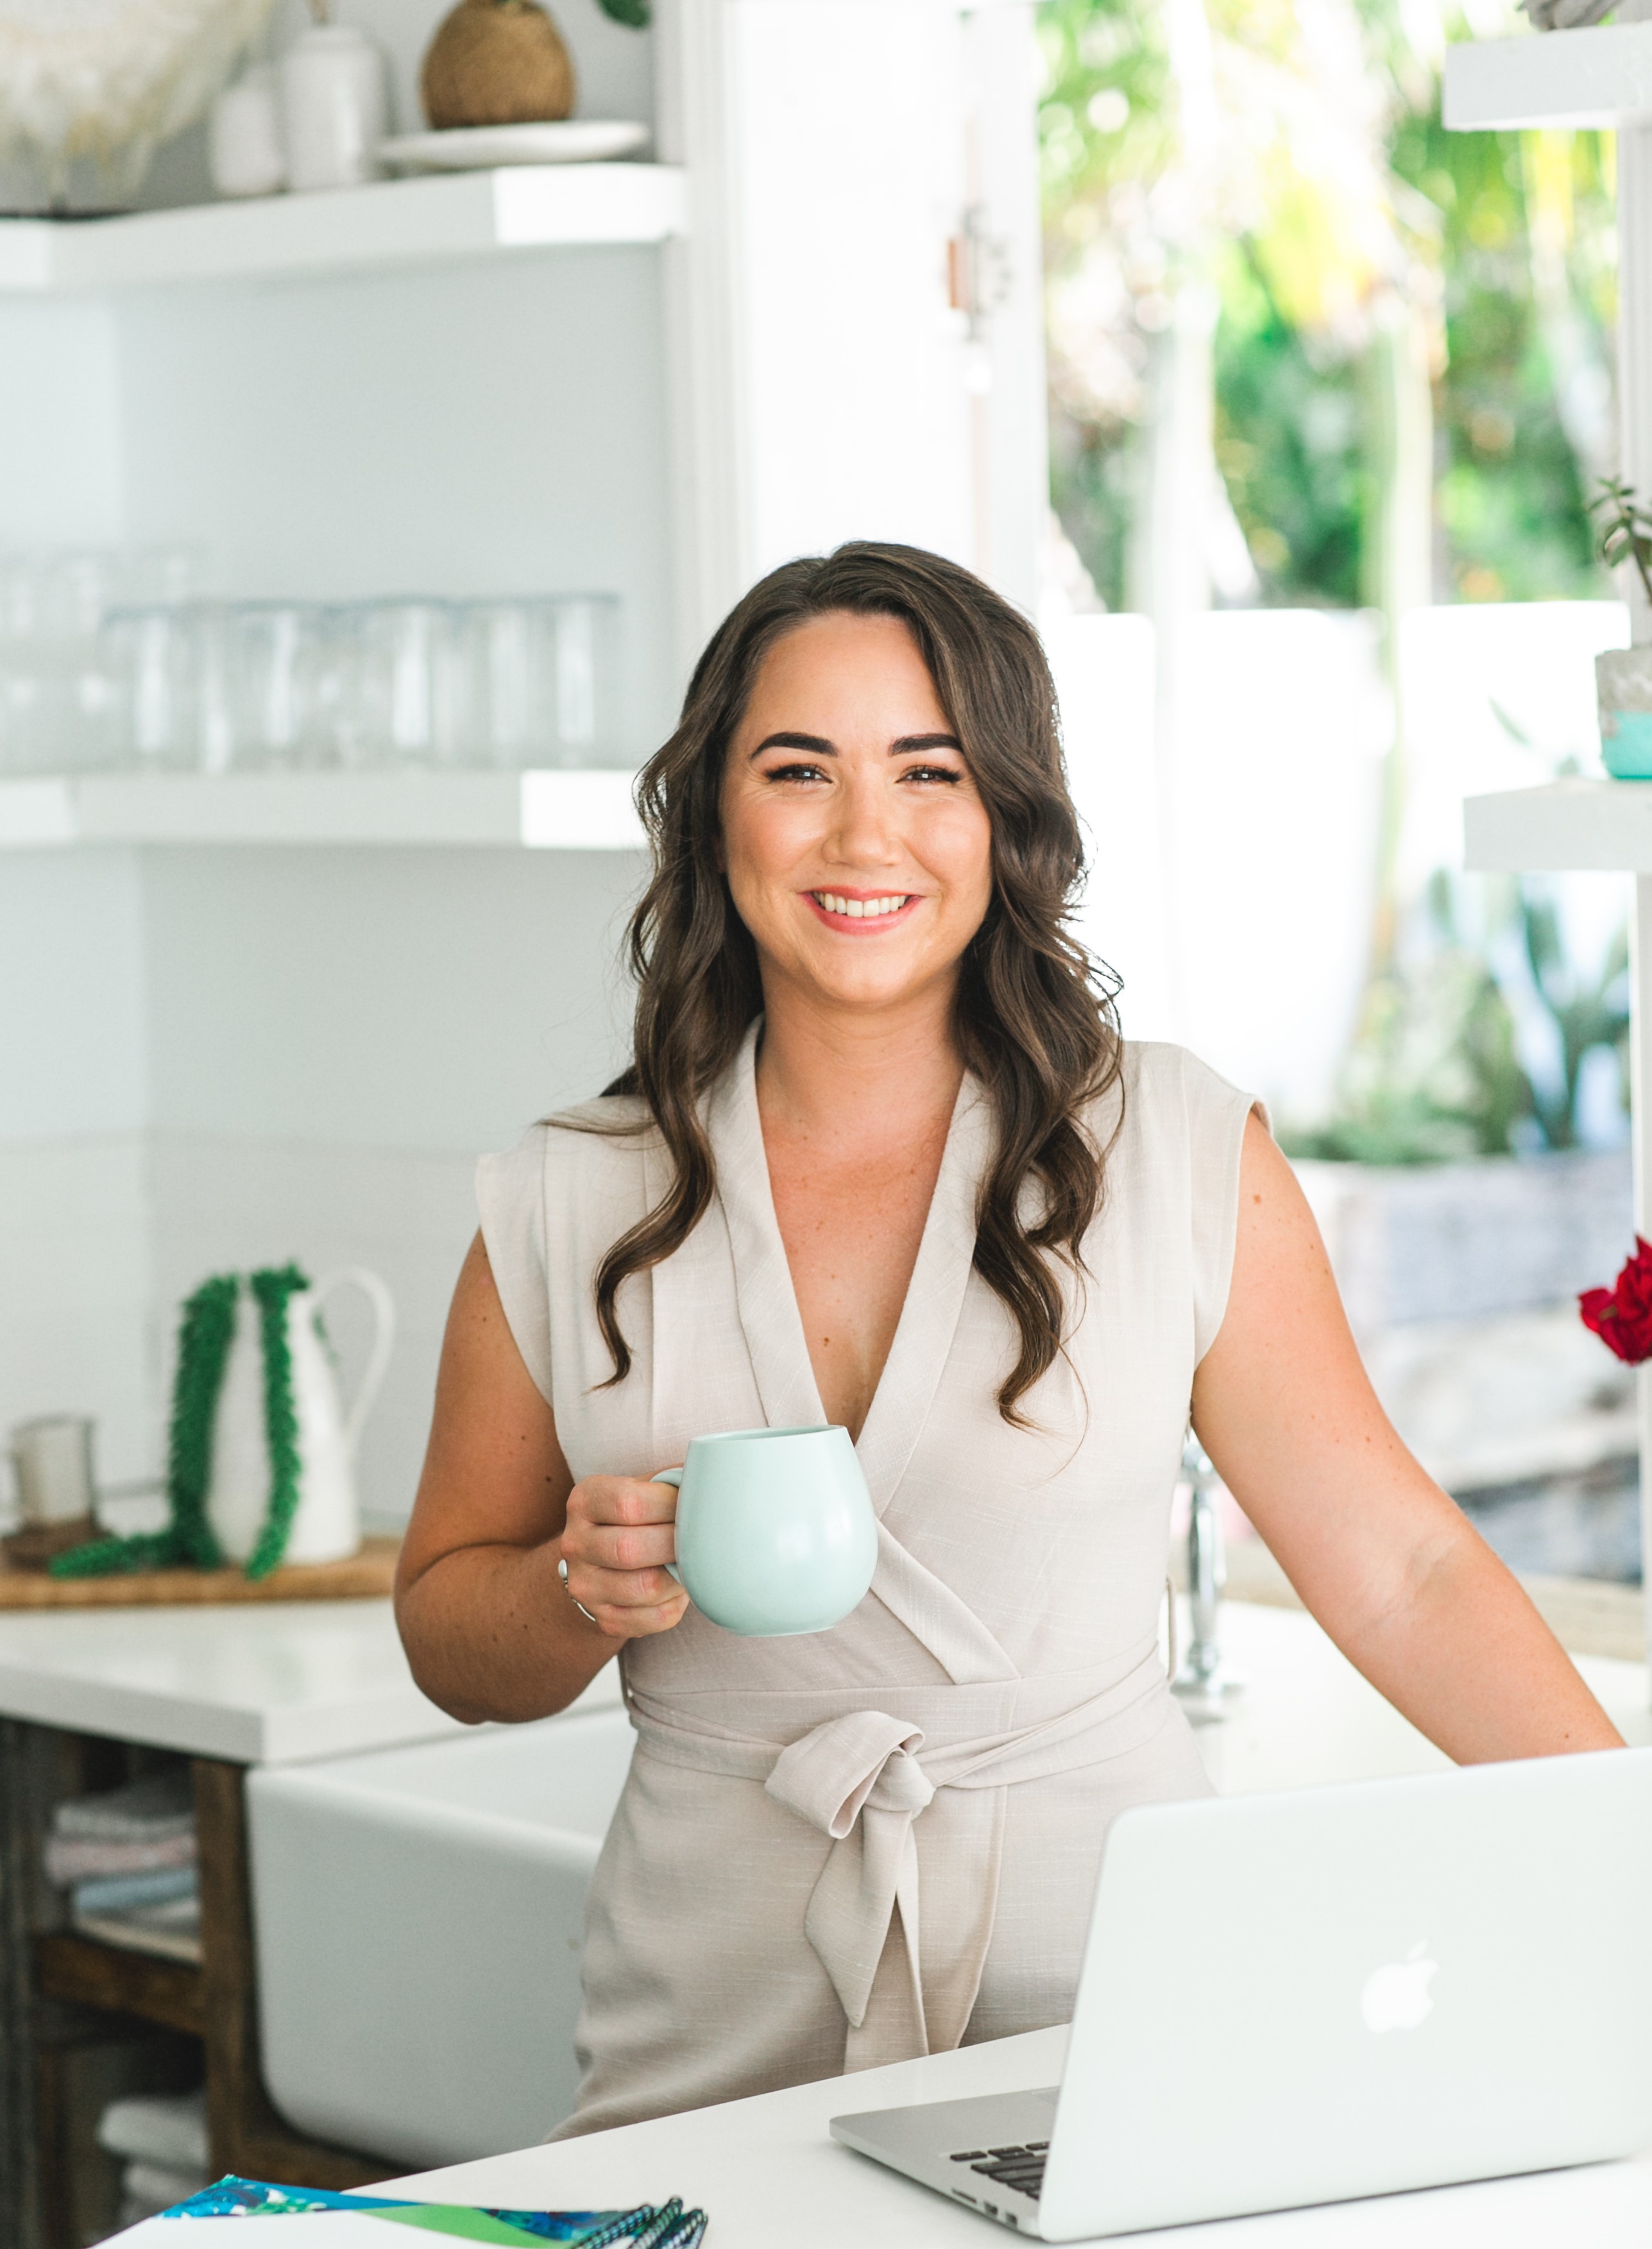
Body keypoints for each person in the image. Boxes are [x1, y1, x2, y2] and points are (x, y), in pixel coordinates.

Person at [395, 541, 1621, 2139]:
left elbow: (1401, 1566)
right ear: (714, 813)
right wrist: (578, 1592)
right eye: (798, 770)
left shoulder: (1171, 1146)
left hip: (1120, 2035)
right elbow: (445, 1629)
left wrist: (1622, 1839)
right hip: (696, 2054)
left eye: (931, 770)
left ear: (1005, 815)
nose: (865, 835)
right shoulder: (566, 1198)